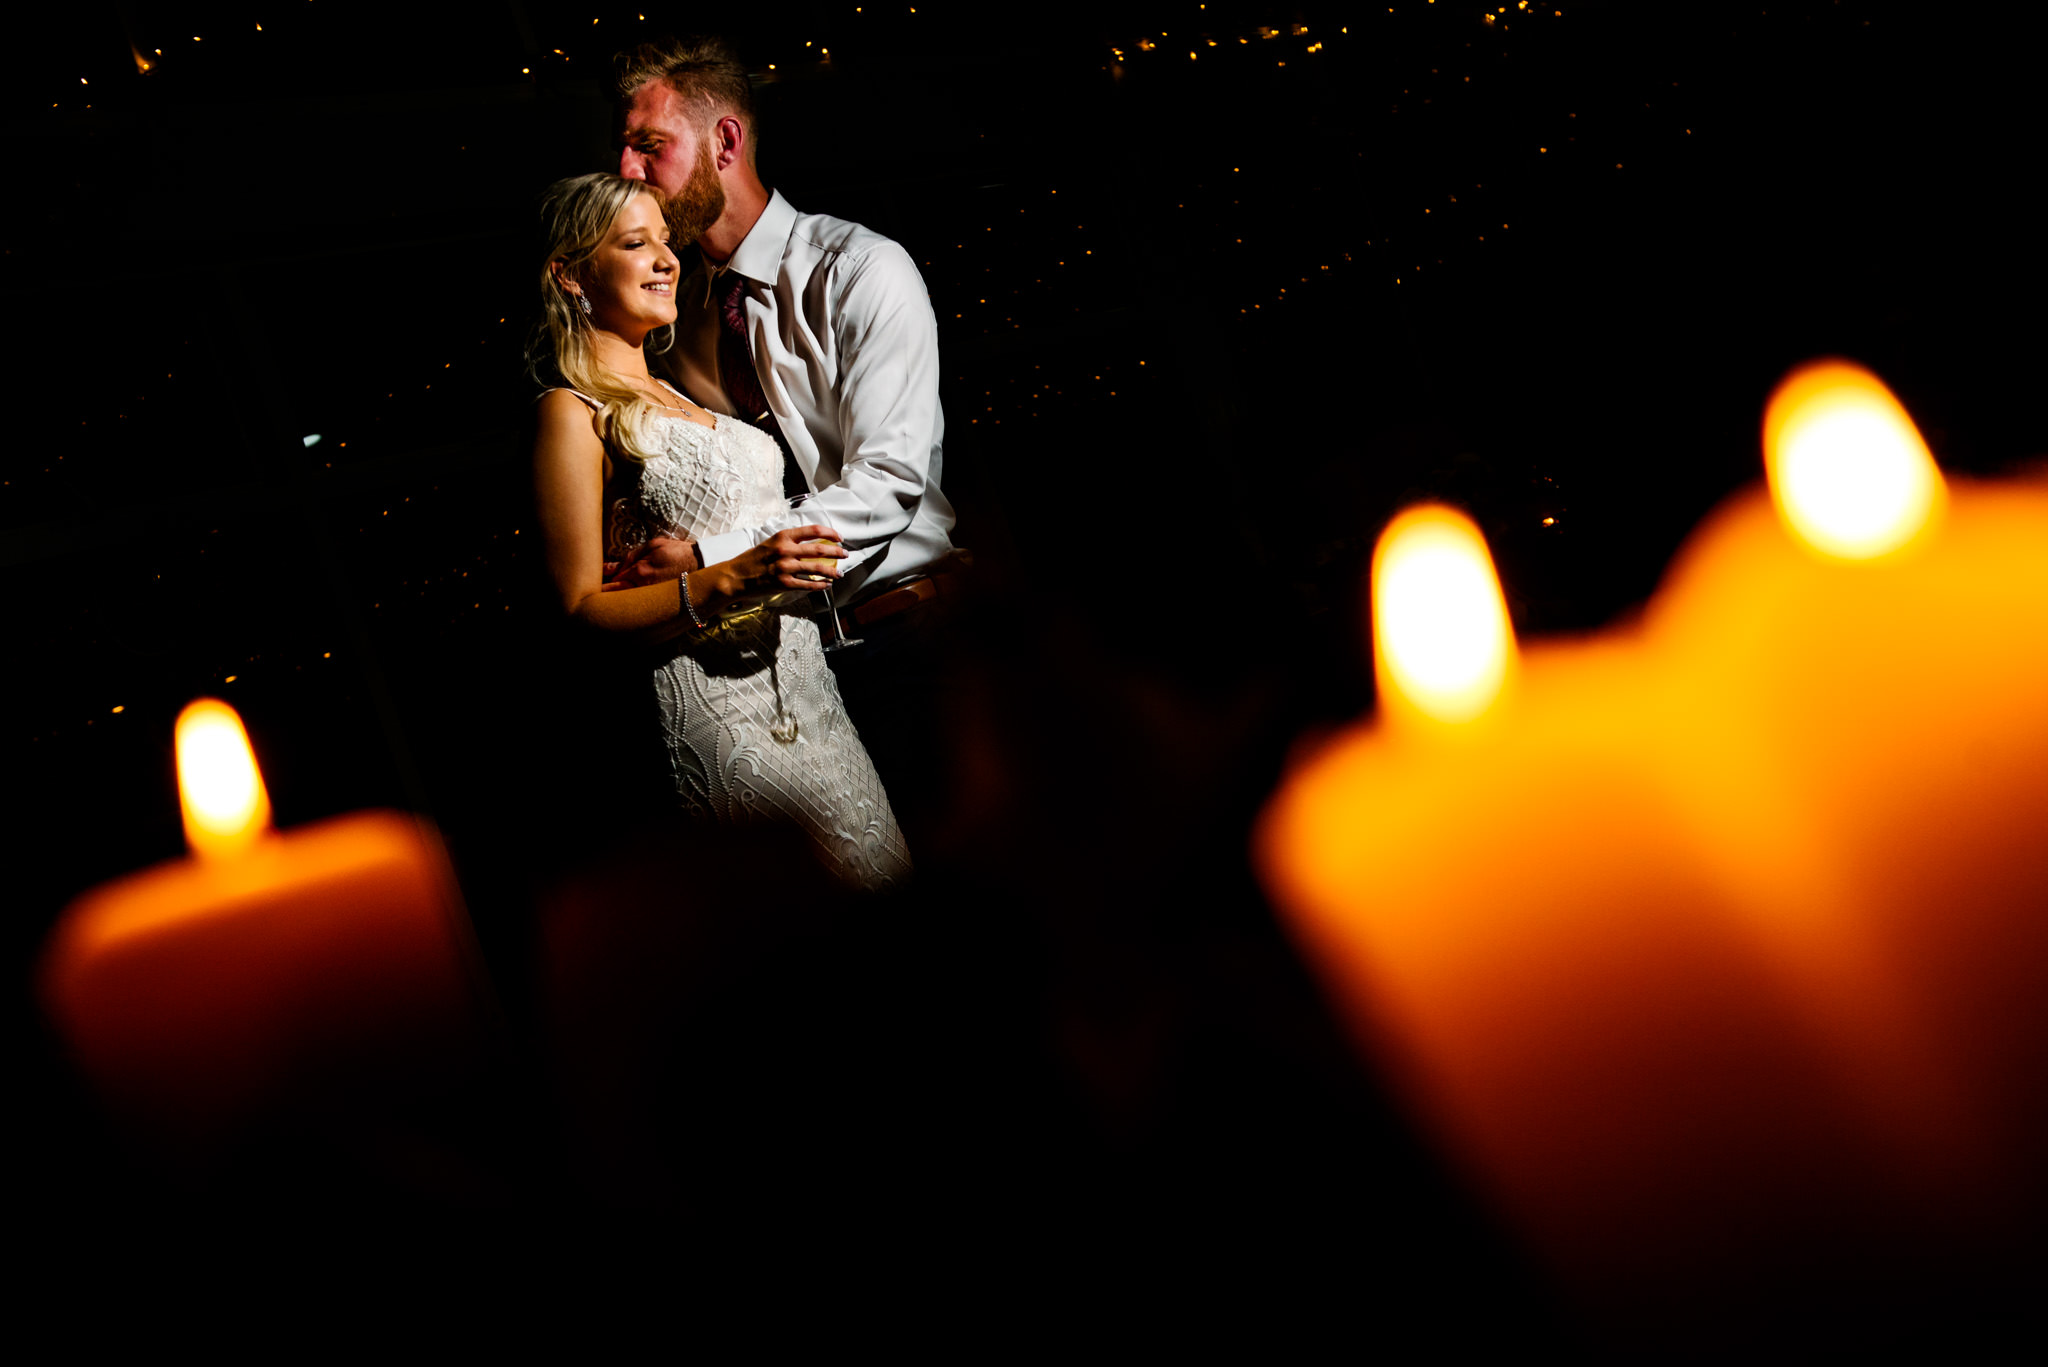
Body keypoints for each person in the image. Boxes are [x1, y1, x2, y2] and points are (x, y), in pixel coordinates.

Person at [604, 35, 960, 836]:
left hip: (906, 647)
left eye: (649, 146)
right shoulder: (678, 314)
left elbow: (887, 485)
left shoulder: (863, 270)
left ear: (725, 141)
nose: (627, 169)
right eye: (624, 149)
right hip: (780, 679)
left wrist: (712, 557)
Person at [527, 171, 912, 891]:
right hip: (725, 729)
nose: (667, 259)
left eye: (667, 243)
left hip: (816, 705)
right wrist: (730, 574)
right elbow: (578, 611)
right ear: (573, 273)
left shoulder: (682, 390)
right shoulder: (571, 413)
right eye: (637, 244)